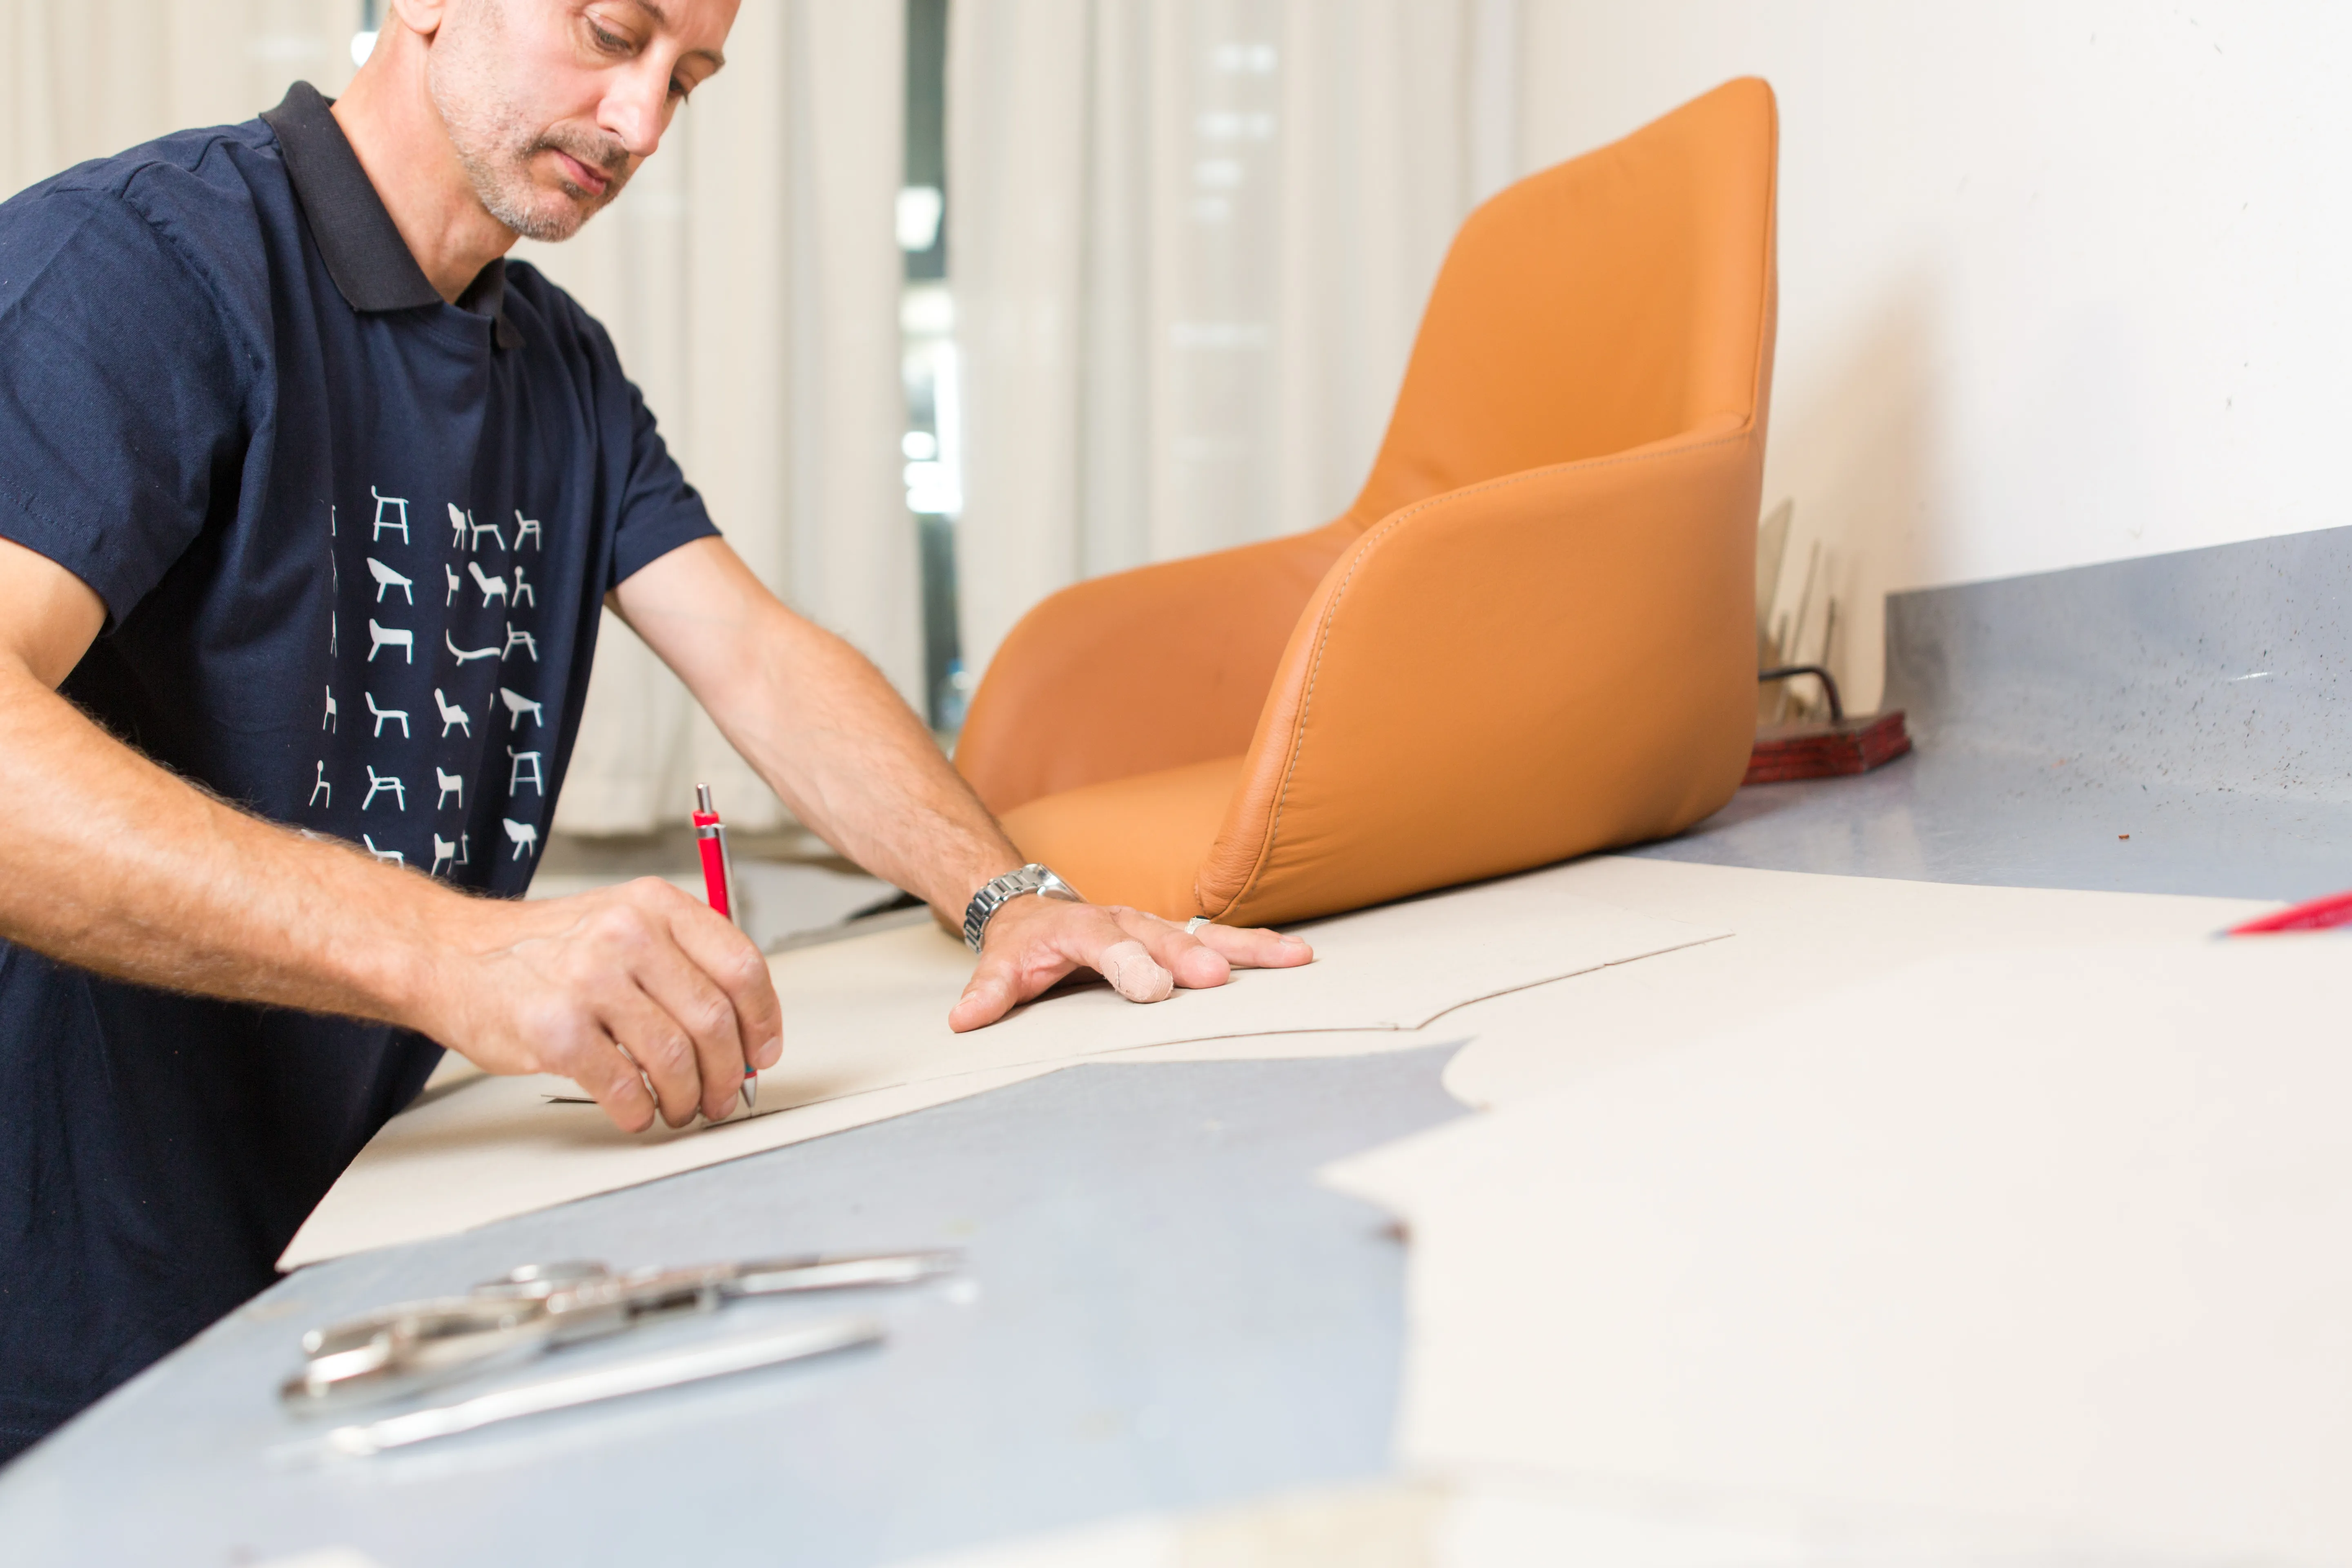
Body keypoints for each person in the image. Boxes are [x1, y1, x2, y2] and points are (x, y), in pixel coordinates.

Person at [0, 0, 1311, 1460]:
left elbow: (755, 654)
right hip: (67, 1311)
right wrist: (458, 953)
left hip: (339, 1270)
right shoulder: (134, 266)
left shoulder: (557, 364)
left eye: (688, 79)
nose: (641, 126)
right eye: (610, 35)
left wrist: (1006, 900)